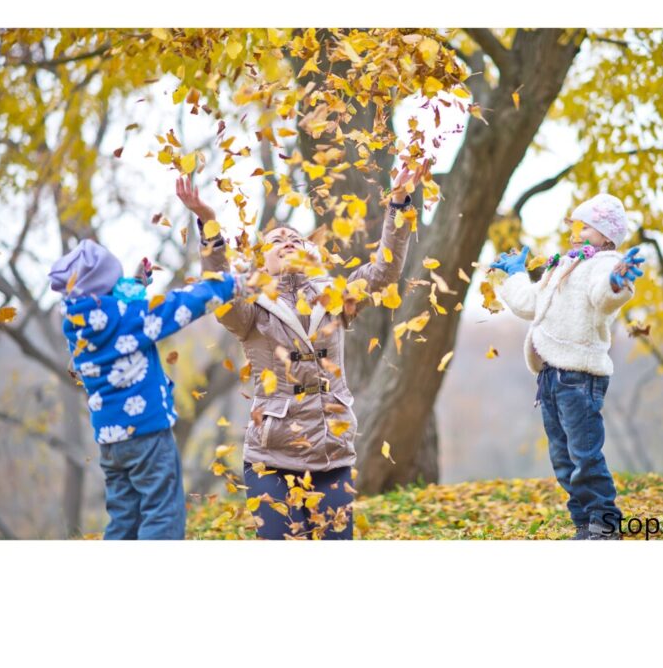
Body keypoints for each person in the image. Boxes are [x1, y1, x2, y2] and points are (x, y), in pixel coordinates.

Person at [175, 165, 419, 539]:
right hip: (270, 459)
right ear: (262, 261)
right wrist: (208, 223)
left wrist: (399, 203)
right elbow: (217, 290)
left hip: (331, 454)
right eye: (276, 240)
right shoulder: (249, 308)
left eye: (295, 238)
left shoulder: (335, 296)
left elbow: (385, 274)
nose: (288, 240)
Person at [49, 240, 251, 539]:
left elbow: (112, 310)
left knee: (124, 519)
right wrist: (231, 284)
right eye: (114, 280)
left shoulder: (78, 323)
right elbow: (179, 306)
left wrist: (134, 285)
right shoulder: (129, 320)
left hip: (111, 443)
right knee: (163, 512)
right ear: (105, 286)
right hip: (147, 436)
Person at [490, 193, 645, 540]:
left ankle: (603, 524)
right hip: (549, 377)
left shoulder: (604, 264)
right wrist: (516, 276)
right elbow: (531, 304)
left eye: (585, 226)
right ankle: (584, 524)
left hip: (578, 377)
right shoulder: (565, 264)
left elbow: (603, 296)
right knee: (563, 460)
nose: (576, 231)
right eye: (575, 224)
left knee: (584, 455)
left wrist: (618, 283)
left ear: (605, 236)